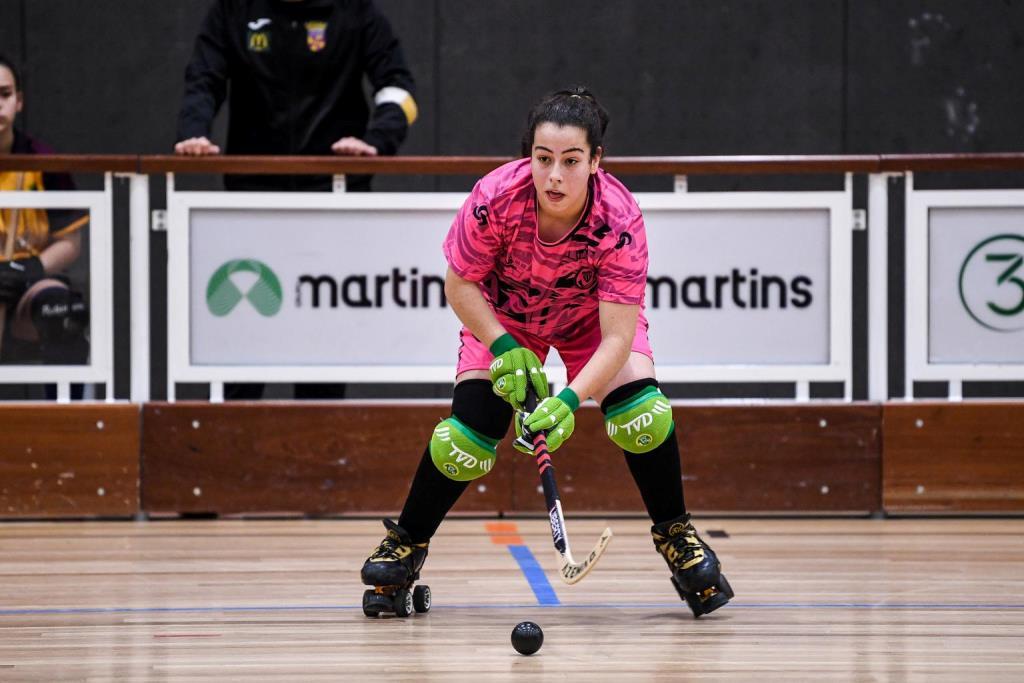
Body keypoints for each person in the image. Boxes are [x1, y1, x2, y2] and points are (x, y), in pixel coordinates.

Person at [359, 87, 733, 618]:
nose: (554, 175)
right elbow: (460, 285)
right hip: (507, 320)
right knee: (463, 440)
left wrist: (568, 401)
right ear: (527, 155)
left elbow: (617, 338)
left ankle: (677, 536)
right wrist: (504, 344)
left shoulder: (620, 218)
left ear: (596, 161)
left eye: (571, 161)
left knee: (643, 416)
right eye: (542, 159)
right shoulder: (494, 198)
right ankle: (405, 543)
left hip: (589, 324)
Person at [174, 0, 418, 399]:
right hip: (252, 198)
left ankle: (318, 441)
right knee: (244, 325)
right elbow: (203, 79)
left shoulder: (355, 13)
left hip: (332, 195)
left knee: (322, 331)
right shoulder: (234, 11)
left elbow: (399, 88)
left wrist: (377, 141)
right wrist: (193, 131)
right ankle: (235, 433)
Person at [0, 55, 89, 370]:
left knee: (62, 312)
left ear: (19, 101)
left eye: (5, 94)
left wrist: (29, 269)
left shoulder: (42, 158)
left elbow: (71, 242)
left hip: (29, 283)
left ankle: (67, 418)